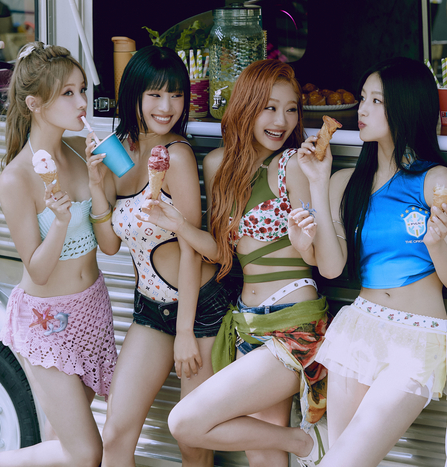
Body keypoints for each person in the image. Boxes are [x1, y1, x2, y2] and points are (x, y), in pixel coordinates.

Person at [137, 59, 338, 467]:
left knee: (186, 421)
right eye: (269, 107)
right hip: (247, 322)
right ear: (246, 106)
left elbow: (318, 257)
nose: (281, 121)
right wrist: (178, 225)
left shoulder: (294, 165)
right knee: (260, 454)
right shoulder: (217, 165)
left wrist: (306, 241)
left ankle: (304, 442)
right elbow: (219, 252)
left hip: (293, 322)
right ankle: (299, 442)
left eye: (291, 109)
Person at [292, 56, 447, 467]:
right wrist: (318, 181)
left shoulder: (436, 181)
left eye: (376, 100)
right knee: (343, 457)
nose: (362, 109)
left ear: (406, 107)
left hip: (418, 337)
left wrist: (435, 243)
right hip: (359, 327)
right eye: (363, 98)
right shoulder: (344, 182)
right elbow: (331, 268)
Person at [0, 42, 118, 467]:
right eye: (67, 93)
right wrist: (61, 222)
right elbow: (39, 270)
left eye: (81, 89)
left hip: (92, 309)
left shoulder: (81, 153)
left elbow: (109, 246)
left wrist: (98, 186)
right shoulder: (16, 179)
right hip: (48, 322)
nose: (82, 102)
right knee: (85, 452)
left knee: (60, 439)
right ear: (34, 104)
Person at [83, 46, 237, 467]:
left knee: (193, 444)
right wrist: (97, 185)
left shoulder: (178, 156)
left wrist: (185, 331)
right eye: (155, 95)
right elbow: (110, 245)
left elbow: (191, 248)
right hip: (151, 309)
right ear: (134, 95)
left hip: (200, 310)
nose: (166, 108)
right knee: (115, 434)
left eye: (176, 95)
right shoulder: (117, 151)